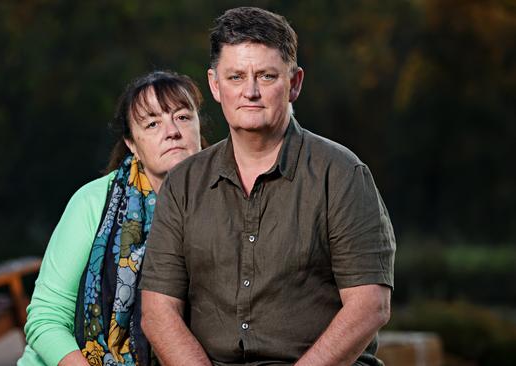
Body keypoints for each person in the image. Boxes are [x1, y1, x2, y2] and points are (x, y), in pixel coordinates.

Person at [139, 7, 396, 366]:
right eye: (235, 77)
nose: (251, 92)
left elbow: (370, 306)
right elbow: (158, 311)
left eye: (266, 76)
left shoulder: (341, 175)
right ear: (215, 85)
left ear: (294, 83)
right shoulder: (184, 183)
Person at [17, 70, 204, 366]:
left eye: (182, 117)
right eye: (153, 123)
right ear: (132, 144)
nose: (172, 131)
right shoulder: (93, 202)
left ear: (198, 126)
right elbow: (46, 318)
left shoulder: (222, 202)